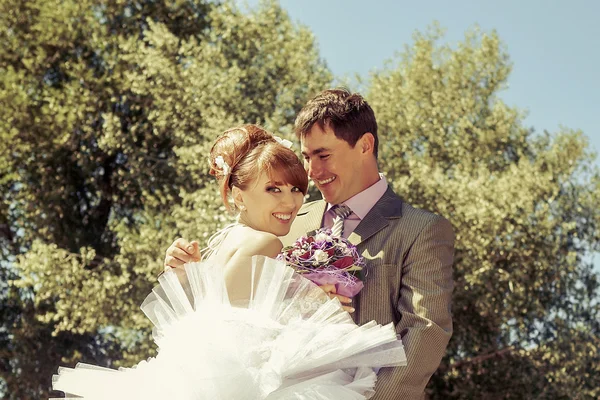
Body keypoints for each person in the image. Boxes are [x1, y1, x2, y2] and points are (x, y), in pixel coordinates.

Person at [52, 124, 407, 399]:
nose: (290, 203)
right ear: (238, 195)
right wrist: (326, 302)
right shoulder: (266, 243)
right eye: (274, 189)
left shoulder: (217, 247)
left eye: (297, 189)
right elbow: (273, 334)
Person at [166, 89, 455, 399]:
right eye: (306, 157)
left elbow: (424, 331)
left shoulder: (421, 229)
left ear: (365, 145)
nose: (312, 172)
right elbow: (222, 311)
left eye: (323, 155)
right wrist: (180, 271)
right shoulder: (282, 220)